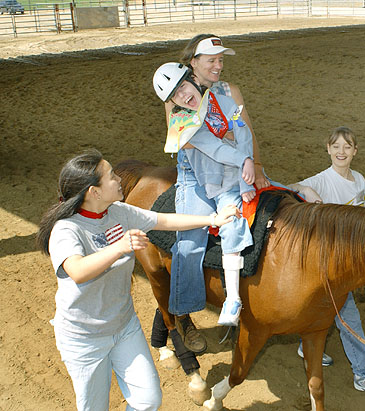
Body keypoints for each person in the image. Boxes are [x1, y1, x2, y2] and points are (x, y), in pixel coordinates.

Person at [36, 149, 239, 411]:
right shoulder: (66, 229)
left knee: (148, 400)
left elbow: (163, 219)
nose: (119, 179)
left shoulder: (119, 211)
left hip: (124, 327)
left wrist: (213, 219)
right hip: (84, 338)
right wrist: (119, 247)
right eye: (111, 177)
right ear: (93, 192)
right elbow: (77, 270)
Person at [289, 126, 365, 396]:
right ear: (328, 150)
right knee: (349, 318)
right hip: (327, 265)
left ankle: (305, 346)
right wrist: (304, 189)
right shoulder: (322, 180)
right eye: (336, 146)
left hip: (348, 265)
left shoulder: (359, 181)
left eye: (347, 147)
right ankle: (362, 374)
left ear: (355, 151)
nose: (341, 152)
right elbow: (289, 189)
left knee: (318, 308)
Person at [154, 61, 255, 327]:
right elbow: (216, 149)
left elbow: (242, 132)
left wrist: (247, 171)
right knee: (193, 236)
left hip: (238, 173)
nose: (183, 95)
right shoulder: (183, 122)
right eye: (175, 95)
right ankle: (188, 309)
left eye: (184, 86)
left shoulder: (222, 100)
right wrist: (243, 160)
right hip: (211, 182)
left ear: (192, 79)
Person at [168, 34, 270, 190]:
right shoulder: (175, 96)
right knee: (201, 214)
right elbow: (181, 140)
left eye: (220, 60)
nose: (219, 66)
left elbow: (247, 131)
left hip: (235, 166)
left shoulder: (230, 90)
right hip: (195, 172)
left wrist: (256, 165)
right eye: (211, 60)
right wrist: (226, 134)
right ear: (193, 62)